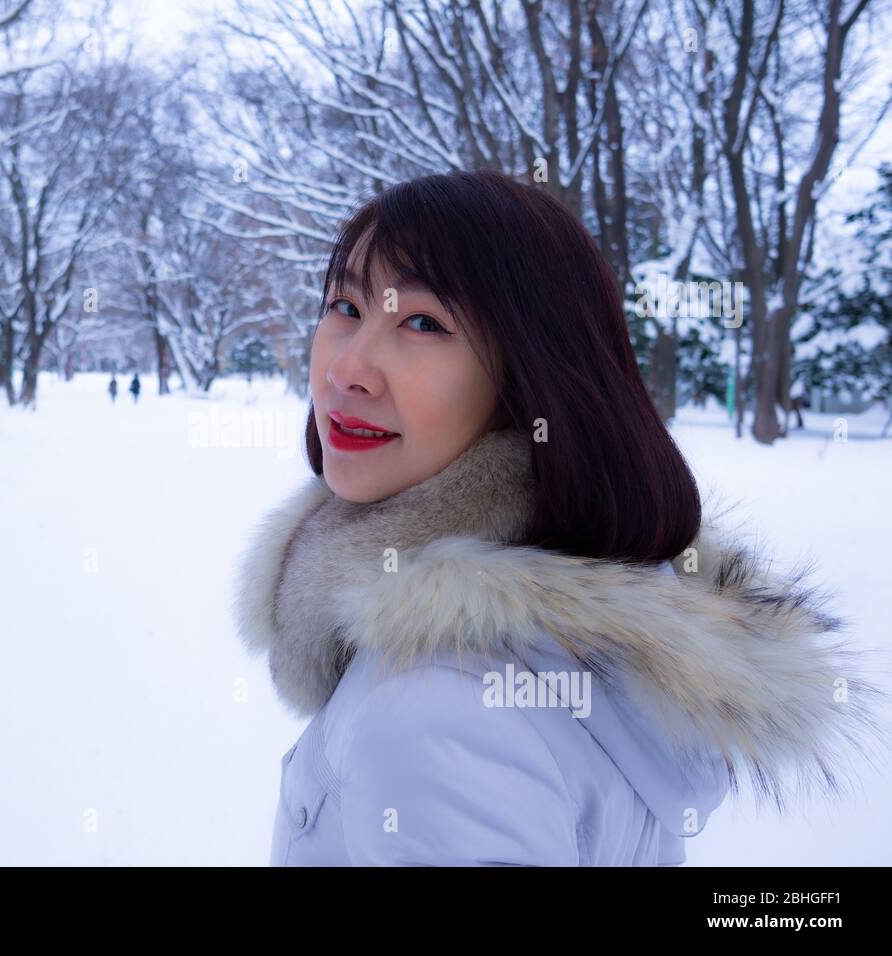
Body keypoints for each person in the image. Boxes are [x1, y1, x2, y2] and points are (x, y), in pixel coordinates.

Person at [232, 170, 887, 867]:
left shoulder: (435, 710)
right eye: (345, 306)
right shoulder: (590, 609)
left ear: (528, 376)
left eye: (423, 323)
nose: (349, 369)